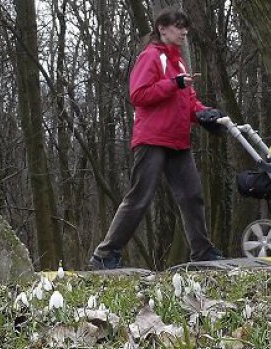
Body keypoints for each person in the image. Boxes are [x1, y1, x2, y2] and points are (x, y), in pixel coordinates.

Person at [89, 6, 225, 270]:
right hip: (152, 139)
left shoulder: (179, 62)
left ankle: (202, 251)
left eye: (185, 27)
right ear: (162, 28)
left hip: (178, 141)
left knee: (192, 195)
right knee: (140, 197)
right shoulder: (150, 57)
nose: (184, 31)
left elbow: (188, 101)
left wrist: (206, 115)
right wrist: (173, 84)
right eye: (178, 26)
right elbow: (138, 95)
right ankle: (105, 255)